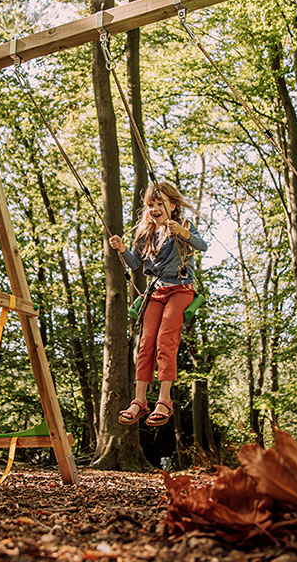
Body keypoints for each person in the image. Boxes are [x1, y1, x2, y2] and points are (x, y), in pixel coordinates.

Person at [110, 181, 207, 427]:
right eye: (150, 204)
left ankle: (164, 400)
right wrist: (122, 249)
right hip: (156, 292)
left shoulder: (183, 225)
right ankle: (139, 400)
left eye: (159, 203)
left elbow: (202, 245)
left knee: (166, 339)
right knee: (146, 343)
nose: (154, 208)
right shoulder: (145, 234)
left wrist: (183, 233)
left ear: (173, 206)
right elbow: (135, 265)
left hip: (181, 290)